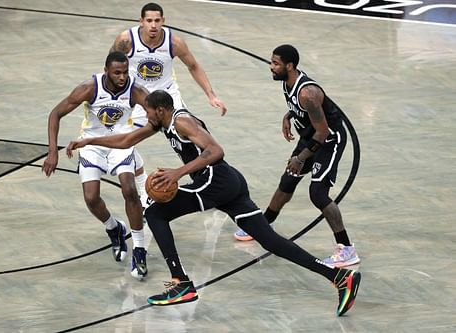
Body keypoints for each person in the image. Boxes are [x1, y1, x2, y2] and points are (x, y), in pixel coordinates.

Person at [66, 90, 361, 317]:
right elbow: (127, 138)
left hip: (214, 182)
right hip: (229, 183)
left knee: (154, 213)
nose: (146, 116)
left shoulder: (181, 120)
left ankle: (180, 283)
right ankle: (338, 277)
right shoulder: (163, 124)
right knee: (269, 240)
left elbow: (216, 150)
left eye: (147, 111)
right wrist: (88, 142)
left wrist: (177, 173)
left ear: (159, 110)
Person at [233, 44, 360, 268]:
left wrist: (300, 157)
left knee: (318, 194)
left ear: (289, 66)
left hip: (329, 141)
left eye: (275, 63)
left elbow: (323, 132)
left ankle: (346, 248)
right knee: (287, 181)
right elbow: (301, 109)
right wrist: (289, 115)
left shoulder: (308, 93)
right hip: (310, 136)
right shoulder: (287, 82)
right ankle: (264, 225)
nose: (271, 67)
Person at [42, 52, 149, 280]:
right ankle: (114, 228)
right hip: (91, 145)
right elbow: (55, 114)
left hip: (121, 144)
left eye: (125, 72)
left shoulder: (136, 90)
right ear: (106, 71)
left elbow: (157, 114)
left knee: (129, 190)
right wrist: (53, 152)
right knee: (91, 198)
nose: (122, 77)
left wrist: (139, 134)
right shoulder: (90, 88)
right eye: (117, 72)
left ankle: (139, 249)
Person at [110, 2, 227, 131]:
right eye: (149, 20)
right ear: (141, 21)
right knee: (119, 138)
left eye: (157, 20)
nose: (153, 25)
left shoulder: (174, 43)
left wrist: (211, 96)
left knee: (191, 131)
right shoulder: (126, 40)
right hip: (137, 95)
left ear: (163, 21)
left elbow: (194, 66)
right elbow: (111, 67)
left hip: (167, 94)